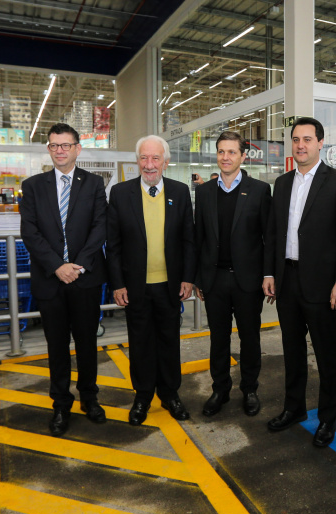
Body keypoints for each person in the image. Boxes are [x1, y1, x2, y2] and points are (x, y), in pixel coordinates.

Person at [263, 117, 336, 448]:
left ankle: (328, 418)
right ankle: (294, 409)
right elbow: (274, 233)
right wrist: (270, 273)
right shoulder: (283, 182)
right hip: (287, 280)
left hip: (322, 285)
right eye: (295, 139)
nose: (301, 145)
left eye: (307, 139)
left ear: (321, 143)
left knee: (327, 354)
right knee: (291, 351)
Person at [20, 123, 108, 437]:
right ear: (49, 149)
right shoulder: (32, 186)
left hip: (85, 279)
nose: (60, 150)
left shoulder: (95, 184)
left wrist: (78, 265)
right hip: (50, 280)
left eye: (66, 145)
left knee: (87, 342)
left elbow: (100, 227)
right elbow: (29, 232)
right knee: (56, 345)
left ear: (77, 148)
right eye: (55, 145)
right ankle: (60, 403)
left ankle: (89, 398)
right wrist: (58, 267)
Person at [107, 135, 196, 425]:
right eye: (144, 158)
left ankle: (170, 394)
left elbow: (188, 240)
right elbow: (114, 244)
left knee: (169, 340)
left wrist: (187, 278)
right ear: (137, 161)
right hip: (135, 287)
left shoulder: (180, 192)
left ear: (165, 162)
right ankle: (143, 396)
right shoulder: (120, 193)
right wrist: (118, 284)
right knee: (141, 342)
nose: (149, 164)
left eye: (155, 158)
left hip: (170, 285)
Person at [194, 131, 271, 418]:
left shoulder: (260, 190)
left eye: (231, 152)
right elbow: (198, 238)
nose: (225, 157)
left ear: (242, 156)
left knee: (250, 338)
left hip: (247, 280)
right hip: (214, 280)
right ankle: (220, 389)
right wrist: (199, 278)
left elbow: (268, 238)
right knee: (218, 338)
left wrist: (268, 275)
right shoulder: (203, 193)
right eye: (221, 152)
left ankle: (250, 389)